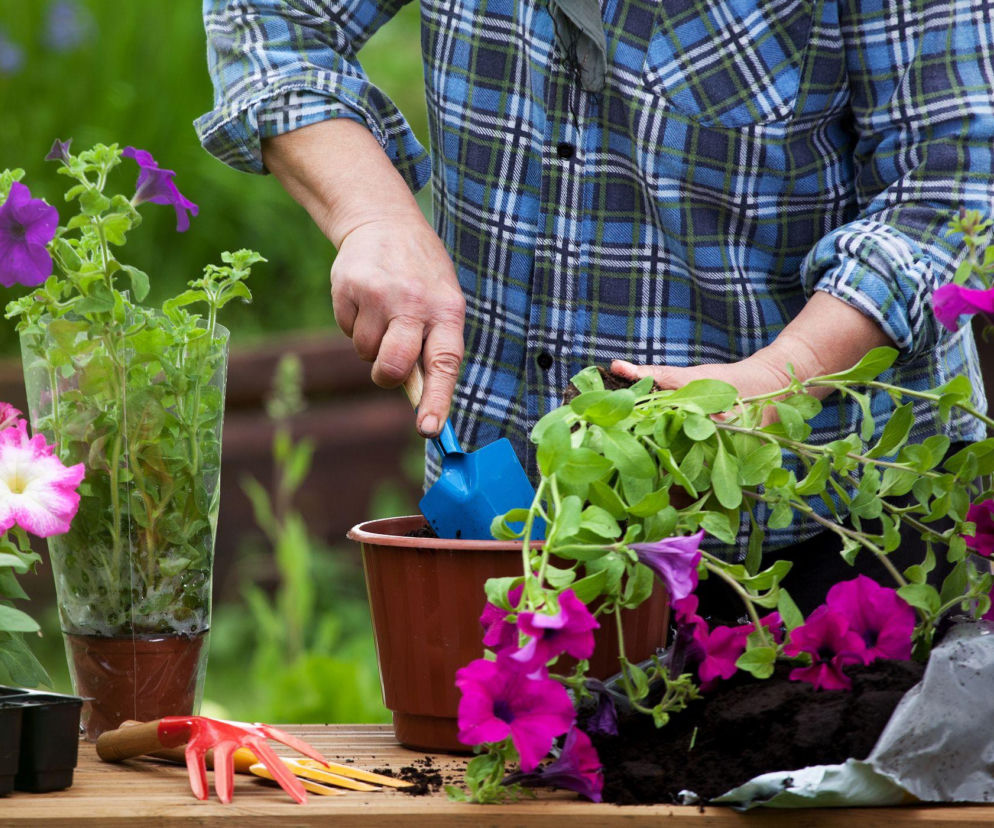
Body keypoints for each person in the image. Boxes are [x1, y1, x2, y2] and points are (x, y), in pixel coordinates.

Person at [196, 0, 994, 599]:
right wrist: (372, 214)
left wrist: (787, 373)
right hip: (504, 525)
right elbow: (270, 19)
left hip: (829, 538)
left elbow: (952, 181)